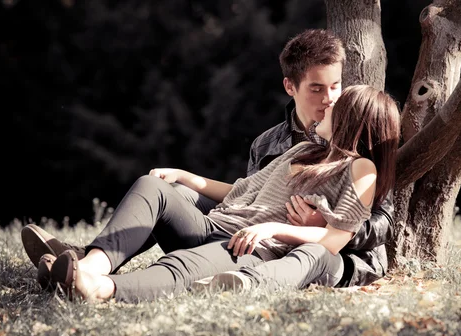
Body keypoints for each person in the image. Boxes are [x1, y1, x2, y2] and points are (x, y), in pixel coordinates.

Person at [22, 28, 395, 291]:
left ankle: (88, 278)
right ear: (291, 87)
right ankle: (86, 263)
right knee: (157, 185)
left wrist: (317, 222)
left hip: (281, 248)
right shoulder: (279, 145)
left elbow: (372, 220)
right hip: (230, 223)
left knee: (184, 259)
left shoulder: (359, 166)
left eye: (335, 90)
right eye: (317, 89)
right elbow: (243, 194)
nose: (329, 99)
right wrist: (186, 177)